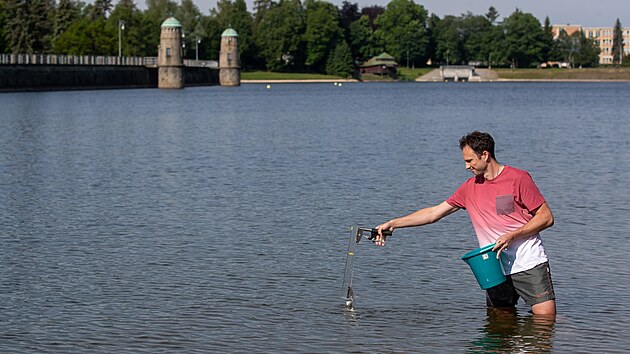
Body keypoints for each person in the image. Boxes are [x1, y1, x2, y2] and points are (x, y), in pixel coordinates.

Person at [376, 131, 556, 316]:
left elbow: (546, 217)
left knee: (544, 324)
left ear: (485, 155)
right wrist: (394, 223)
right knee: (500, 325)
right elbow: (433, 213)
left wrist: (512, 235)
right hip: (492, 268)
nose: (466, 166)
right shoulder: (469, 188)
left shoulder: (518, 179)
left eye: (470, 161)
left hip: (528, 262)